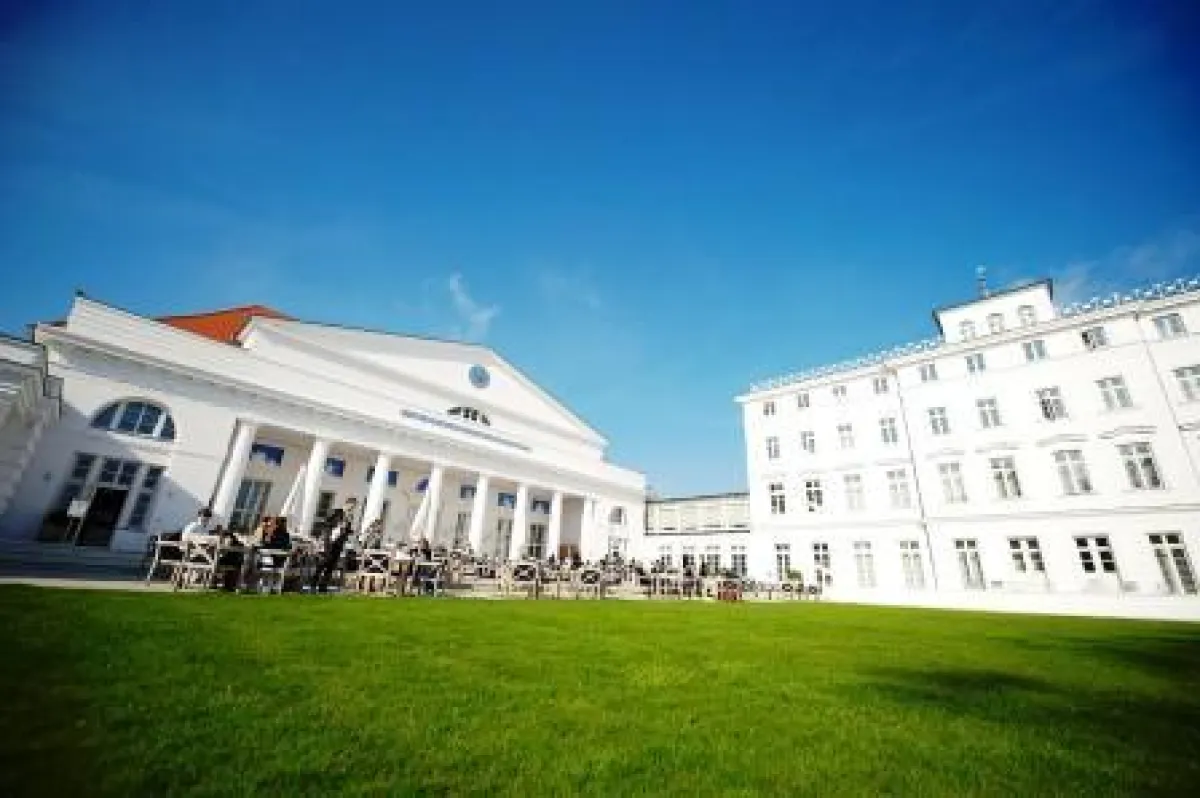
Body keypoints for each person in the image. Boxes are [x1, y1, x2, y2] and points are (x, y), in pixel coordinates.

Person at [312, 508, 353, 593]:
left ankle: (323, 587)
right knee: (321, 566)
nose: (340, 518)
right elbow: (326, 538)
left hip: (336, 548)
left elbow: (347, 532)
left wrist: (345, 528)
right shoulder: (329, 526)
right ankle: (313, 585)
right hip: (328, 548)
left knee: (330, 568)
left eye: (340, 516)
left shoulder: (342, 526)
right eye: (339, 516)